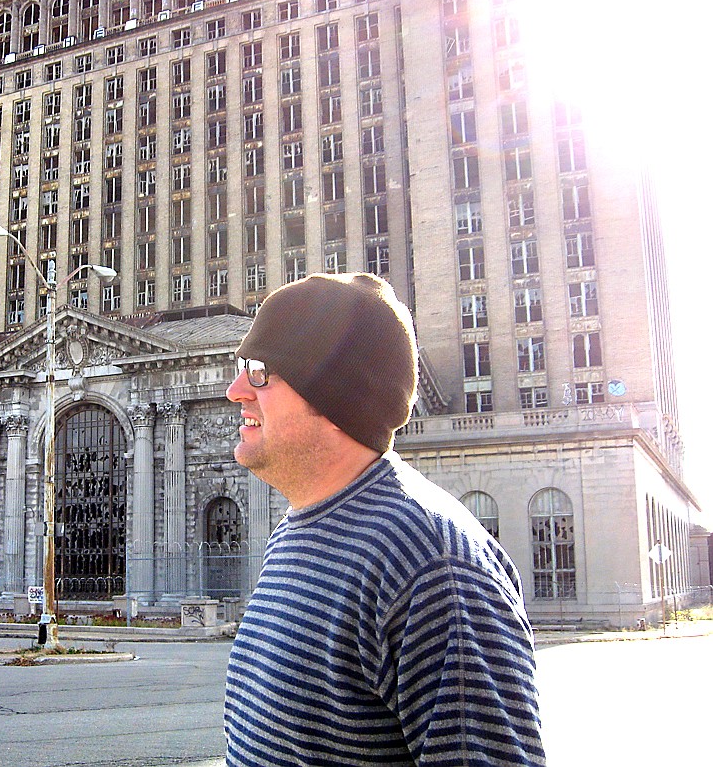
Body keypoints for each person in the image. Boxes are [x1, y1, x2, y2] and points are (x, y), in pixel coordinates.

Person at [223, 273, 545, 766]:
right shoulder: (296, 529)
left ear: (334, 397)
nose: (235, 390)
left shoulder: (432, 566)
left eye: (261, 372)